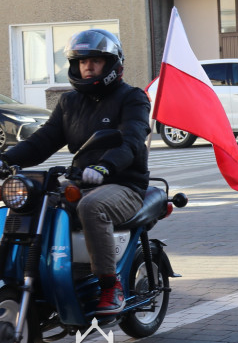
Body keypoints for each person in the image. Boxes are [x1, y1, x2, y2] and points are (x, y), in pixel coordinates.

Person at [0, 30, 150, 314]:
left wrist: (105, 166)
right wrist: (5, 160)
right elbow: (42, 141)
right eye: (82, 61)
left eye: (95, 60)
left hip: (124, 184)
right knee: (26, 201)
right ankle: (36, 274)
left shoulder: (132, 98)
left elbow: (131, 140)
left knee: (92, 206)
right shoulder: (69, 102)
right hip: (81, 181)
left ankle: (110, 285)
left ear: (112, 64)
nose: (87, 67)